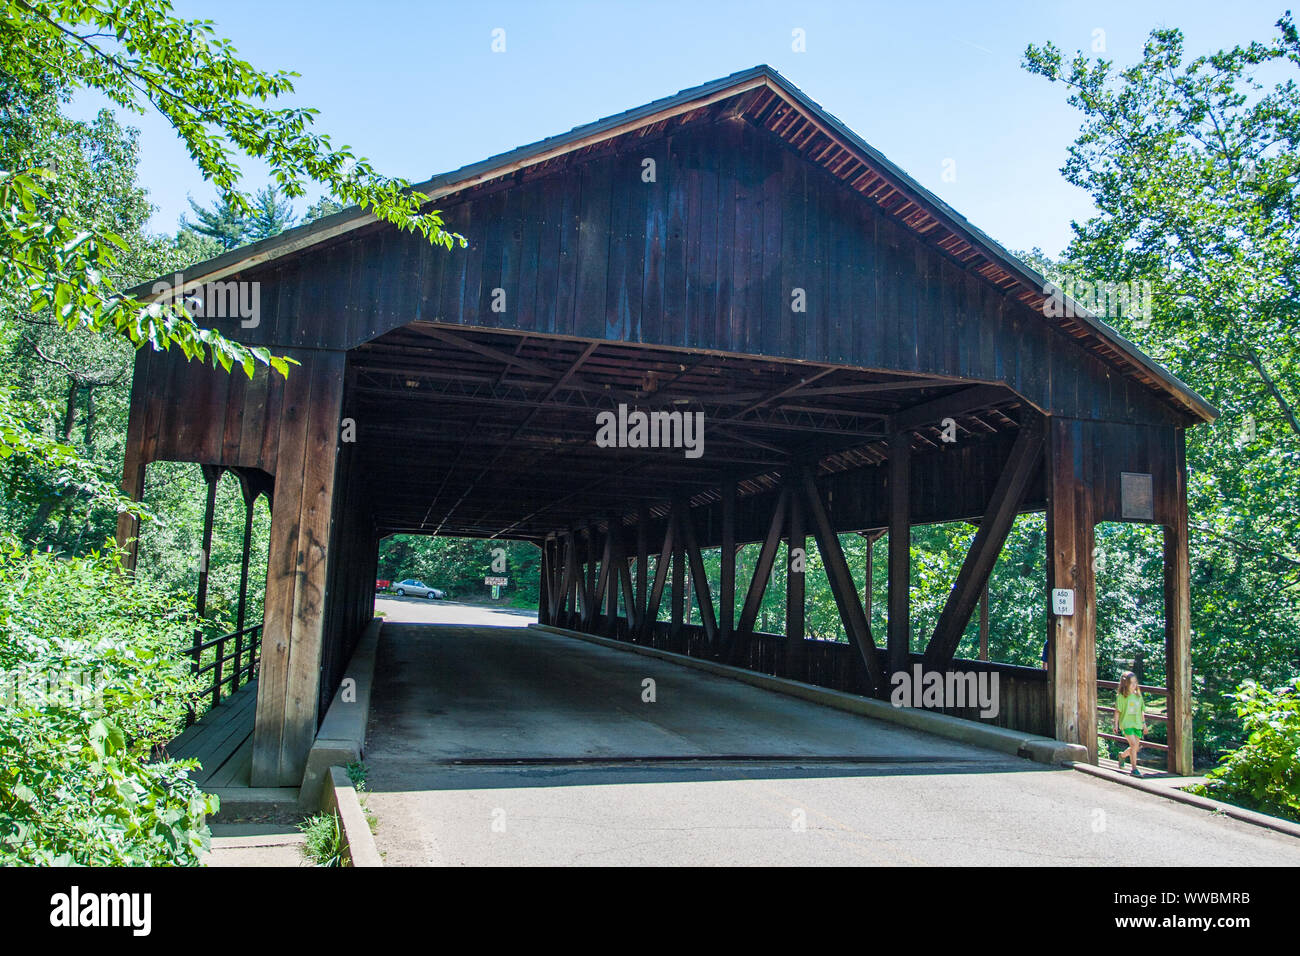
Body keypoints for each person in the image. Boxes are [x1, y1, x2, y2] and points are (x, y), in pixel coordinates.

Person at [1114, 670, 1146, 776]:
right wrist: (1116, 725)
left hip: (1137, 724)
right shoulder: (1121, 697)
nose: (1134, 685)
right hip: (1126, 724)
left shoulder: (1138, 696)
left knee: (1135, 747)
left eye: (1135, 682)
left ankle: (1122, 756)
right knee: (1133, 745)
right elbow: (1118, 711)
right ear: (1125, 684)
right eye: (1131, 683)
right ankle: (1134, 769)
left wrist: (1144, 724)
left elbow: (1142, 710)